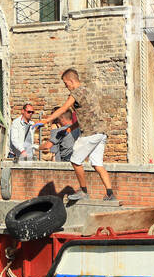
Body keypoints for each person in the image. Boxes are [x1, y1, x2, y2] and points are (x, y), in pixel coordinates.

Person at [43, 67, 116, 202]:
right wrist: (71, 128)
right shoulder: (88, 91)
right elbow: (87, 115)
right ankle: (110, 193)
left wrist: (47, 119)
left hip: (91, 133)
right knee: (97, 164)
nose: (66, 87)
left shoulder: (76, 93)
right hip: (101, 132)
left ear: (71, 81)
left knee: (75, 160)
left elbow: (64, 108)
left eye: (66, 84)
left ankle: (83, 191)